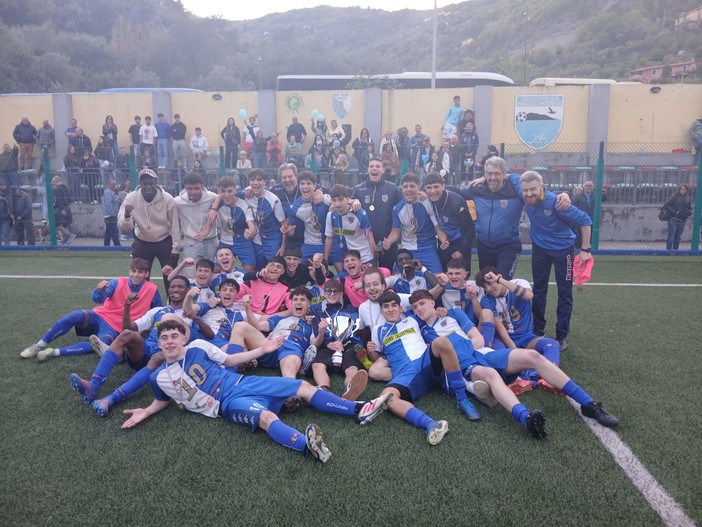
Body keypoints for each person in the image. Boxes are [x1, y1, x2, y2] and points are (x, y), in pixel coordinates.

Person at [121, 317, 392, 463]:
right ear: (159, 344)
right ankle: (308, 447)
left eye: (174, 336)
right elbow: (163, 399)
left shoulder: (199, 347)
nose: (170, 341)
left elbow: (229, 360)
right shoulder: (159, 377)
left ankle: (358, 410)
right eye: (164, 338)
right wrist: (146, 411)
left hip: (243, 382)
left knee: (301, 385)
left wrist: (263, 349)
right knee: (265, 417)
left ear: (183, 338)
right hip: (226, 404)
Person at [409, 289, 619, 438]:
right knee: (491, 375)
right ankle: (526, 418)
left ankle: (589, 404)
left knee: (533, 356)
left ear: (433, 303)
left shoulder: (454, 313)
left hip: (482, 352)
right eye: (415, 306)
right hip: (463, 363)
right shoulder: (421, 330)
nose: (418, 308)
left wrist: (464, 346)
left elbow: (479, 339)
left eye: (422, 303)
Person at [68, 277, 209, 416]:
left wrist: (194, 318)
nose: (175, 289)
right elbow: (127, 328)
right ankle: (93, 385)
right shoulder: (158, 311)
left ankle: (110, 399)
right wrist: (127, 306)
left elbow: (205, 336)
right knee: (127, 334)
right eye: (173, 286)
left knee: (158, 356)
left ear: (188, 290)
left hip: (165, 357)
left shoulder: (191, 314)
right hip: (145, 351)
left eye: (180, 287)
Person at [367, 291, 479, 445]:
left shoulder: (412, 319)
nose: (391, 309)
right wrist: (371, 352)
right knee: (386, 398)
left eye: (394, 305)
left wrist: (441, 310)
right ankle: (430, 424)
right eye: (386, 306)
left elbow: (425, 307)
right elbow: (378, 357)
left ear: (401, 308)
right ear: (381, 311)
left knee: (441, 341)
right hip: (405, 373)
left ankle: (462, 399)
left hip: (424, 362)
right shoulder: (377, 330)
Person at [20, 258, 160, 361]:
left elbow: (157, 314)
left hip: (116, 328)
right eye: (133, 271)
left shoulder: (152, 290)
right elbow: (97, 299)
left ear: (147, 274)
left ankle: (53, 352)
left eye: (140, 272)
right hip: (99, 316)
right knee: (76, 315)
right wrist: (99, 290)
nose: (135, 274)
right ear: (129, 271)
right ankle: (38, 346)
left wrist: (144, 331)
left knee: (102, 343)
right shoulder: (118, 282)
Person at [457, 156, 570, 280]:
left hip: (508, 246)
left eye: (497, 173)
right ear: (485, 174)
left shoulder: (515, 190)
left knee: (502, 283)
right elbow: (457, 192)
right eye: (489, 173)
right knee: (487, 283)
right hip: (484, 246)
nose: (493, 177)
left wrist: (563, 194)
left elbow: (539, 194)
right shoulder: (477, 189)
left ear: (504, 174)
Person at [521, 171, 592, 351]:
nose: (529, 193)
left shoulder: (557, 203)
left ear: (543, 187)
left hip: (563, 251)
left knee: (564, 292)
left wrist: (585, 250)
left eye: (533, 189)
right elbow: (506, 178)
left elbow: (585, 221)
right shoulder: (525, 196)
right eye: (525, 190)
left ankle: (562, 335)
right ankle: (537, 330)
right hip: (539, 250)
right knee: (538, 289)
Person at [475, 267, 561, 393]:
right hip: (503, 340)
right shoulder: (487, 300)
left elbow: (528, 295)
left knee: (552, 344)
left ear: (498, 276)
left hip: (526, 337)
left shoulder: (519, 283)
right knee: (500, 355)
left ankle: (542, 377)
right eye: (484, 287)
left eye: (489, 283)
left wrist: (499, 280)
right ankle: (524, 378)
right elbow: (502, 332)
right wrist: (517, 352)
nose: (488, 288)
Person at [118, 168, 180, 277]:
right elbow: (124, 226)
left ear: (156, 183)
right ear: (140, 184)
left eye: (151, 183)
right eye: (145, 183)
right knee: (139, 277)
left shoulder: (168, 199)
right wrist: (127, 216)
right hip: (142, 241)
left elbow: (175, 225)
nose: (148, 186)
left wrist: (175, 248)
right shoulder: (131, 198)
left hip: (164, 240)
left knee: (170, 276)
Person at [383, 173, 447, 274]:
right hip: (407, 249)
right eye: (405, 187)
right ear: (402, 188)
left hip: (427, 249)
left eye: (412, 186)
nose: (409, 189)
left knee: (438, 277)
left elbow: (438, 228)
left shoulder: (427, 203)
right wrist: (388, 242)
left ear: (418, 187)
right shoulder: (397, 209)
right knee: (396, 276)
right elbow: (395, 232)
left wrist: (444, 240)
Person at [351, 157, 403, 269]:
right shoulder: (358, 189)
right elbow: (346, 202)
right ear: (368, 170)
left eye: (378, 166)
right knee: (368, 274)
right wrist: (353, 201)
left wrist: (420, 196)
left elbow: (404, 204)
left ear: (383, 170)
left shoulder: (392, 188)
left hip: (387, 242)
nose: (374, 168)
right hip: (365, 243)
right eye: (372, 166)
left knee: (387, 272)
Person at [424, 172, 474, 272]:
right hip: (444, 244)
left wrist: (462, 251)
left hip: (460, 244)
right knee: (444, 276)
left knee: (461, 277)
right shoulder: (427, 200)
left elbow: (470, 229)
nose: (432, 191)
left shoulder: (456, 202)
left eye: (436, 187)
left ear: (443, 186)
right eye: (429, 188)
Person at [174, 172, 219, 274]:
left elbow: (221, 196)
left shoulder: (211, 197)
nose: (193, 192)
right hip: (192, 243)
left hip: (212, 241)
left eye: (196, 188)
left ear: (202, 187)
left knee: (214, 274)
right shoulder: (178, 202)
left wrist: (214, 209)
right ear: (185, 188)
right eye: (189, 189)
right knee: (191, 274)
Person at [324, 184, 376, 270]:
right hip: (348, 261)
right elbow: (329, 238)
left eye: (340, 200)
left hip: (364, 258)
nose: (337, 204)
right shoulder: (331, 215)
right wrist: (324, 261)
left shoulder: (360, 213)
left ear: (348, 199)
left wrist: (375, 261)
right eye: (334, 200)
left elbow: (370, 237)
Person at [213, 176, 257, 272]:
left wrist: (251, 232)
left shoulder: (243, 204)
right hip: (225, 240)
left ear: (235, 190)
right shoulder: (216, 203)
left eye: (229, 191)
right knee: (215, 269)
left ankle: (242, 281)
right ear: (219, 192)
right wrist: (213, 209)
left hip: (242, 241)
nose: (226, 195)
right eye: (223, 191)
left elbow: (251, 224)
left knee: (250, 269)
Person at [246, 169, 287, 266]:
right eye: (253, 180)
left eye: (259, 180)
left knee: (274, 267)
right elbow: (228, 194)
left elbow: (283, 224)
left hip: (272, 239)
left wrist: (283, 246)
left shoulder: (273, 199)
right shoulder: (247, 196)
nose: (255, 183)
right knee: (259, 268)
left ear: (264, 181)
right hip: (257, 239)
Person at [661, 184, 692, 250]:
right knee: (671, 237)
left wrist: (688, 212)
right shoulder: (674, 197)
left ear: (687, 190)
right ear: (679, 190)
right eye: (682, 189)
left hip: (682, 220)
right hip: (673, 219)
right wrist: (675, 212)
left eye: (684, 189)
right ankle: (668, 251)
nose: (683, 190)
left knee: (678, 237)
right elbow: (667, 205)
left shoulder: (688, 198)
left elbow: (689, 208)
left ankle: (675, 251)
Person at [52, 176, 75, 245]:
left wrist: (61, 208)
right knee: (65, 224)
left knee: (56, 223)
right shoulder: (66, 188)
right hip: (67, 207)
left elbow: (59, 200)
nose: (53, 183)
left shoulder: (57, 189)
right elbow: (70, 199)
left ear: (57, 181)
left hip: (61, 208)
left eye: (53, 182)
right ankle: (66, 240)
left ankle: (68, 235)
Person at [102, 178, 121, 246]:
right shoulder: (109, 193)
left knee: (109, 231)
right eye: (112, 184)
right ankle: (117, 245)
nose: (114, 186)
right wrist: (112, 214)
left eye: (114, 184)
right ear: (108, 184)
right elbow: (108, 204)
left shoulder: (111, 192)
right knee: (114, 231)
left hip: (109, 215)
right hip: (110, 216)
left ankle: (106, 245)